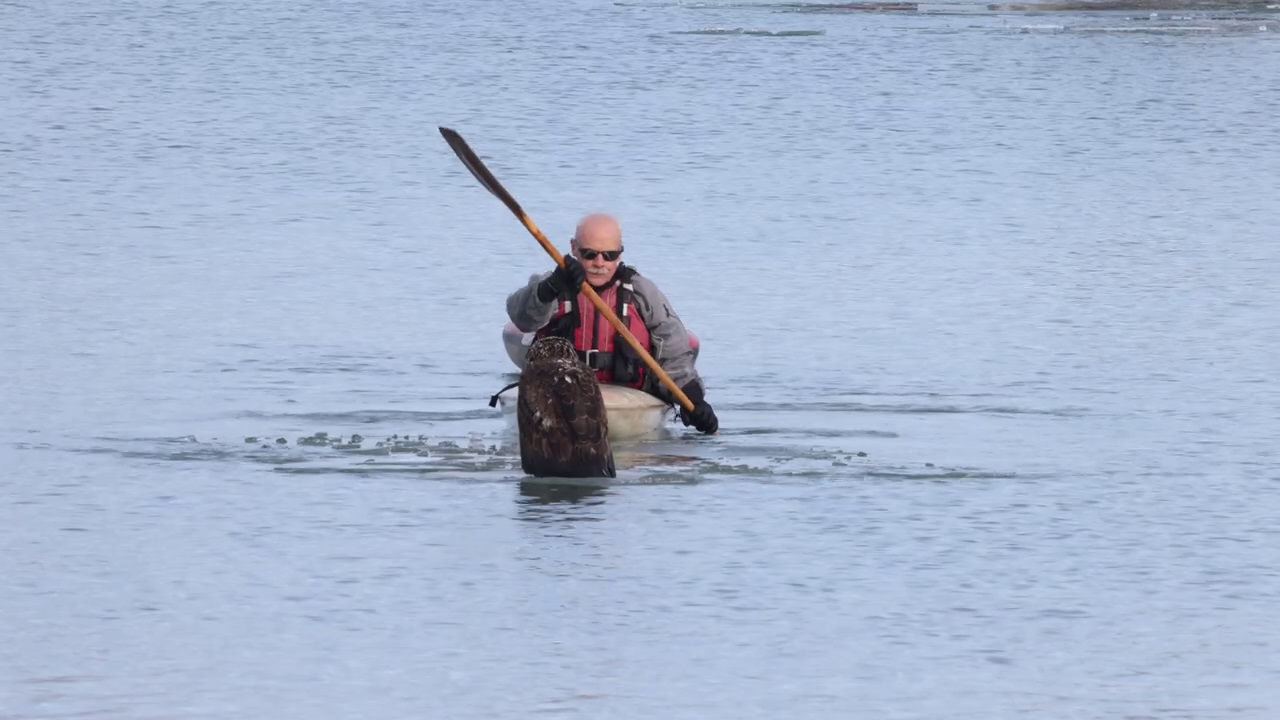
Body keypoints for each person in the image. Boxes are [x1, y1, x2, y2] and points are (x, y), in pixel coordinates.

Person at [506, 213, 718, 434]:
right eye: (589, 254)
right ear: (574, 248)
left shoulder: (642, 292)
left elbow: (673, 348)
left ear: (620, 253)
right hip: (558, 392)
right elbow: (521, 318)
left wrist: (693, 400)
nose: (600, 263)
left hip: (628, 398)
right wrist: (549, 288)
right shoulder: (551, 285)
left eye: (609, 255)